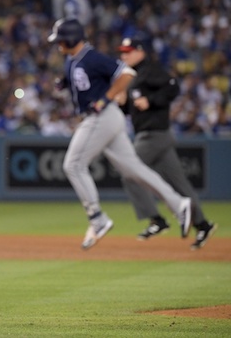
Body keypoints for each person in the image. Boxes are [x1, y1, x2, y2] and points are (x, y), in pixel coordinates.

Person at [47, 18, 192, 250]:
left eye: (60, 39)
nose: (58, 44)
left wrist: (105, 98)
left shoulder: (91, 56)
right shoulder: (72, 59)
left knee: (73, 165)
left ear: (71, 38)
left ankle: (97, 218)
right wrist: (64, 83)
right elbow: (79, 78)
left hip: (101, 117)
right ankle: (179, 204)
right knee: (134, 170)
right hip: (106, 119)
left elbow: (126, 74)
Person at [116, 32, 217, 249]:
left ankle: (156, 219)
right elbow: (134, 107)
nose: (124, 56)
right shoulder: (134, 75)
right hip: (155, 135)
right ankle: (203, 225)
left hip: (153, 134)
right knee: (180, 184)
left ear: (140, 52)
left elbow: (173, 86)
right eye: (122, 53)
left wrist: (151, 101)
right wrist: (122, 103)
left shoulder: (150, 70)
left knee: (129, 173)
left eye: (128, 52)